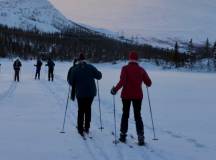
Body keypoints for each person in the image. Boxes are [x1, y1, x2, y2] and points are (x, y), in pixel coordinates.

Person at [111, 51, 152, 146]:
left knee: (125, 114)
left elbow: (122, 81)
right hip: (138, 96)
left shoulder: (125, 68)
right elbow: (149, 83)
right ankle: (141, 136)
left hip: (126, 95)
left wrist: (115, 90)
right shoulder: (141, 69)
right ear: (137, 59)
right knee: (138, 115)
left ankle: (122, 136)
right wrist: (143, 81)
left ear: (129, 59)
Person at [67, 54, 102, 136]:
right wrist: (98, 73)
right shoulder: (90, 67)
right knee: (88, 108)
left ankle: (80, 128)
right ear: (85, 59)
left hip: (80, 93)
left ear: (78, 60)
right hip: (91, 93)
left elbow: (71, 82)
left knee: (81, 110)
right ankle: (87, 127)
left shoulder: (75, 69)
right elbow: (99, 76)